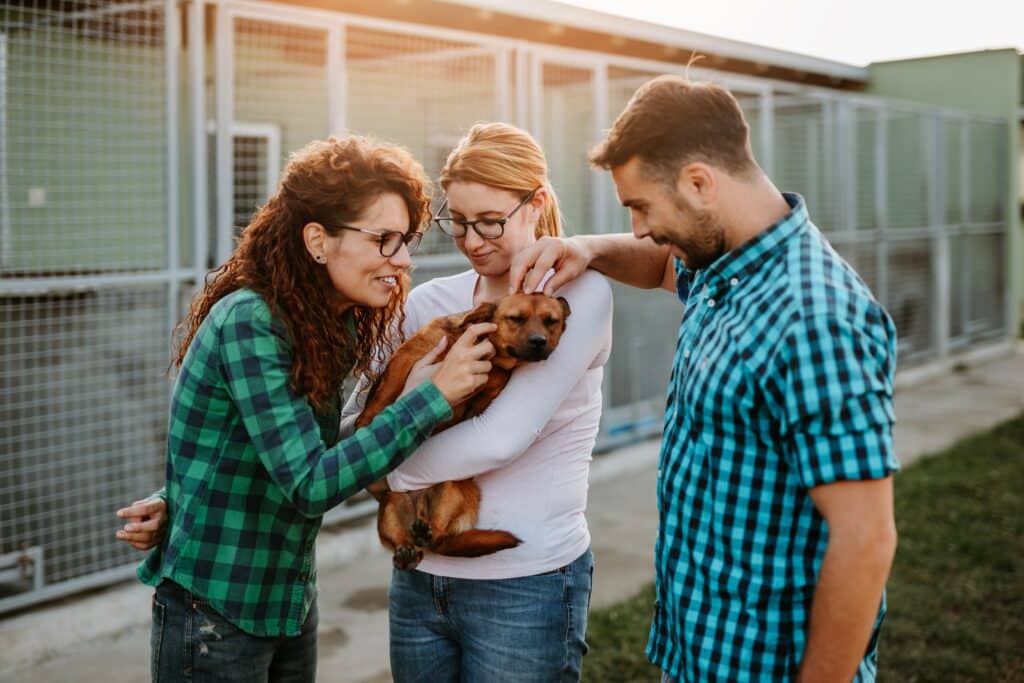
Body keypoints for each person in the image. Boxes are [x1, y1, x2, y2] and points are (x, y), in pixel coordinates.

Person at [510, 75, 899, 682]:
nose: (638, 227)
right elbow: (660, 260)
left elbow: (866, 540)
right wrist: (585, 248)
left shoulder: (815, 316)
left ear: (698, 183)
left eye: (641, 206)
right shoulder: (724, 269)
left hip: (764, 666)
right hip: (701, 653)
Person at [115, 134, 496, 683]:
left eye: (407, 240)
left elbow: (263, 444)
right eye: (385, 240)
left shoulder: (327, 321)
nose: (404, 260)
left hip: (286, 598)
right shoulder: (252, 321)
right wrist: (431, 400)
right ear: (318, 241)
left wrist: (175, 499)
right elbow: (310, 482)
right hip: (217, 612)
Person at [342, 122, 613, 682]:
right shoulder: (429, 302)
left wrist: (375, 467)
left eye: (489, 221)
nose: (471, 240)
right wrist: (377, 436)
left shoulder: (576, 298)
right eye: (456, 222)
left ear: (535, 203)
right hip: (419, 579)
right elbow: (354, 421)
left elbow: (496, 439)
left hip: (527, 585)